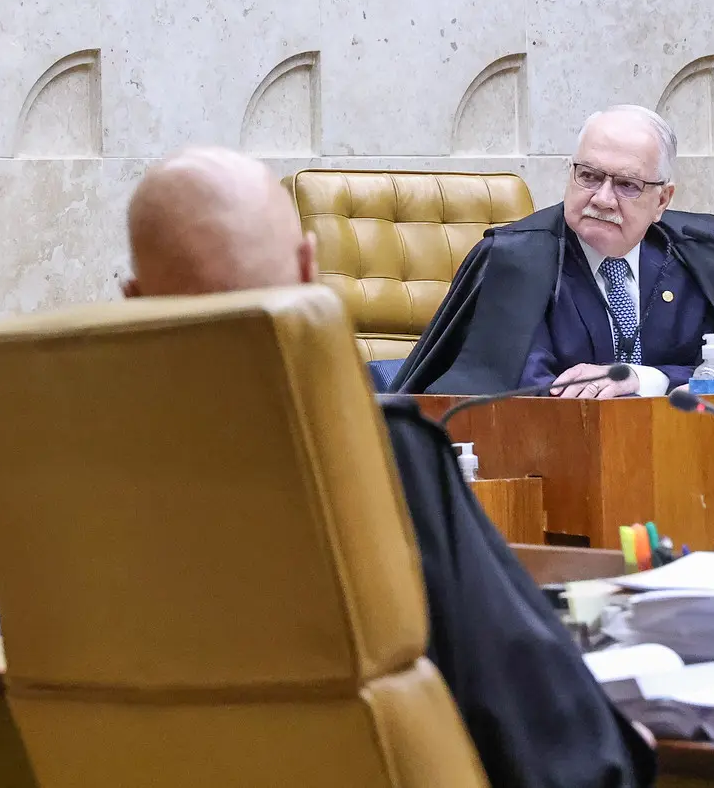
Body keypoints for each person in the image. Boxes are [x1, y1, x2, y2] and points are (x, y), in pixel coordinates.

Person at [125, 146, 655, 788]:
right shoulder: (375, 459)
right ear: (307, 270)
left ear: (133, 299)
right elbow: (549, 730)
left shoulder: (69, 469)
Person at [393, 105, 714, 397]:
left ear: (662, 200)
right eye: (588, 176)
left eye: (627, 185)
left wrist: (646, 378)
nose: (602, 198)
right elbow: (523, 388)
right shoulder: (517, 261)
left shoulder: (698, 253)